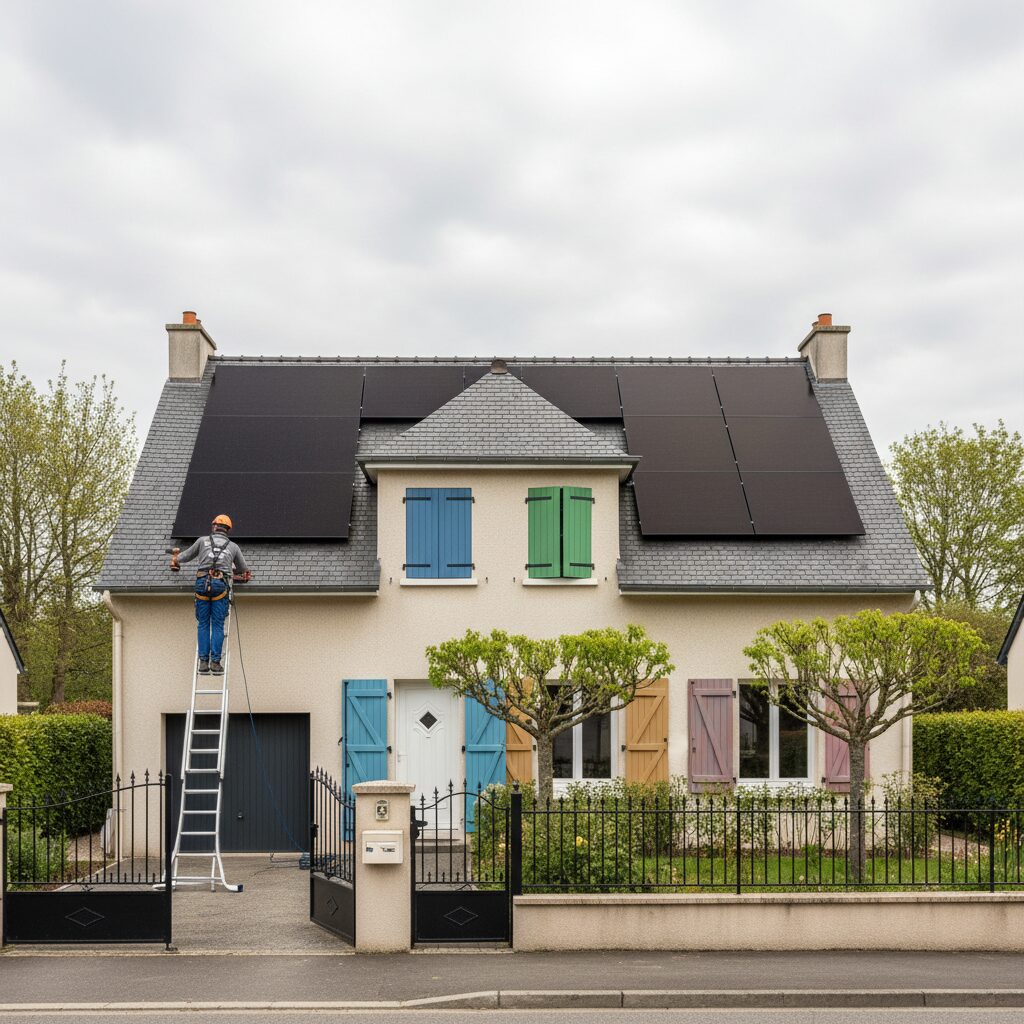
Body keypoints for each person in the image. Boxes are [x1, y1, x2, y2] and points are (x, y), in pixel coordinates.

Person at [170, 514, 252, 675]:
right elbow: (244, 569)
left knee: (203, 624)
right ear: (228, 530)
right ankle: (215, 663)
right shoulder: (233, 547)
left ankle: (203, 663)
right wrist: (231, 569)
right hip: (220, 586)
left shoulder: (202, 541)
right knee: (217, 625)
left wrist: (175, 559)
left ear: (214, 526)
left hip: (202, 583)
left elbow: (183, 557)